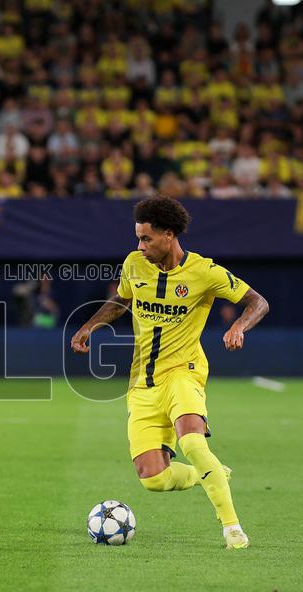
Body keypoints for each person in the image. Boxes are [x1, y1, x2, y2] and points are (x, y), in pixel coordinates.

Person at [70, 195, 269, 549]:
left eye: (146, 238)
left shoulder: (204, 272)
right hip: (142, 383)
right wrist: (89, 326)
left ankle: (232, 529)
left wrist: (239, 326)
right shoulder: (134, 264)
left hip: (183, 372)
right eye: (138, 238)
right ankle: (209, 473)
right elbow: (122, 300)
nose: (140, 246)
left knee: (192, 441)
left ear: (169, 235)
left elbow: (258, 301)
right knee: (153, 478)